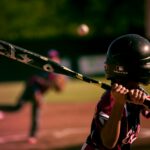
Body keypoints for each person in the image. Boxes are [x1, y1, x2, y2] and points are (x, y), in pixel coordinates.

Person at [81, 34, 150, 150]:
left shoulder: (137, 92)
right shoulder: (109, 100)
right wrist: (119, 103)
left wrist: (144, 102)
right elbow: (108, 143)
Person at [0, 49, 67, 144]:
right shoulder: (44, 68)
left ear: (57, 58)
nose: (52, 59)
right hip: (30, 90)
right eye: (50, 57)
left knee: (36, 114)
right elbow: (34, 80)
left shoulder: (58, 71)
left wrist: (58, 85)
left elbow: (58, 89)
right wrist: (37, 93)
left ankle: (32, 136)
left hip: (40, 92)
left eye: (54, 57)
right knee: (17, 107)